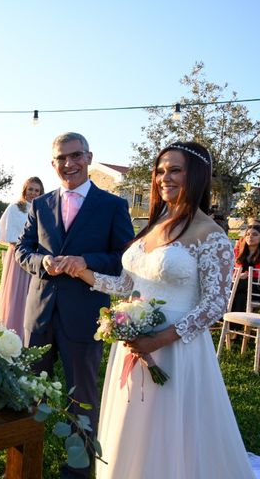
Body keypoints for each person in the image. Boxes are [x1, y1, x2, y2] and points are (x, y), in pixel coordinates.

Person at [73, 141, 254, 479]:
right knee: (132, 422)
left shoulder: (210, 234)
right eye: (160, 171)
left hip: (176, 348)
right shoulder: (154, 225)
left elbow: (214, 303)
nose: (163, 178)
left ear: (197, 175)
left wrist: (159, 340)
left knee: (171, 430)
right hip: (132, 341)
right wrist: (80, 270)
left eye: (175, 170)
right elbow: (128, 286)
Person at [15, 132, 134, 478]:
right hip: (39, 314)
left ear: (89, 157)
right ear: (53, 164)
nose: (69, 164)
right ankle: (25, 461)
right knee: (30, 393)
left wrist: (86, 261)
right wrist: (42, 263)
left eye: (75, 156)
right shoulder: (39, 205)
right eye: (61, 159)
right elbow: (23, 250)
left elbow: (122, 259)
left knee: (81, 398)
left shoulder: (113, 206)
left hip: (84, 316)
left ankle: (78, 470)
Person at [0, 176, 44, 342]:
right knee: (16, 294)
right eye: (31, 189)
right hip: (19, 256)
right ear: (24, 190)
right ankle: (11, 332)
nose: (33, 193)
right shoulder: (16, 208)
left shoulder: (43, 209)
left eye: (37, 190)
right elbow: (11, 236)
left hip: (36, 259)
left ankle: (28, 333)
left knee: (32, 295)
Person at [232, 224, 260, 312]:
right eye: (248, 234)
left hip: (257, 287)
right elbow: (231, 271)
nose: (250, 236)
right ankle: (235, 325)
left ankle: (221, 313)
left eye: (255, 234)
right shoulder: (238, 253)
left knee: (239, 285)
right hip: (242, 288)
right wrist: (238, 276)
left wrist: (247, 275)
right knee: (240, 295)